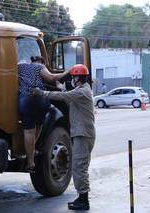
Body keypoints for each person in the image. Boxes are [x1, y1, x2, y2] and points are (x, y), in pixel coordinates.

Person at [33, 64, 95, 211]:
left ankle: (83, 200)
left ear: (78, 78)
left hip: (82, 134)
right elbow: (68, 94)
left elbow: (64, 96)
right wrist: (60, 87)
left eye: (73, 77)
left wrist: (41, 92)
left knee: (79, 167)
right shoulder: (82, 90)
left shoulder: (82, 92)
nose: (72, 79)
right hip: (83, 133)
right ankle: (82, 197)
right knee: (80, 166)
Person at [18, 56, 68, 173]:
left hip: (25, 99)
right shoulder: (39, 66)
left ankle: (30, 161)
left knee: (29, 130)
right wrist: (66, 72)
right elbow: (51, 77)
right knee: (40, 123)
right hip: (40, 98)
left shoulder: (20, 66)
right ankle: (33, 149)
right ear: (41, 62)